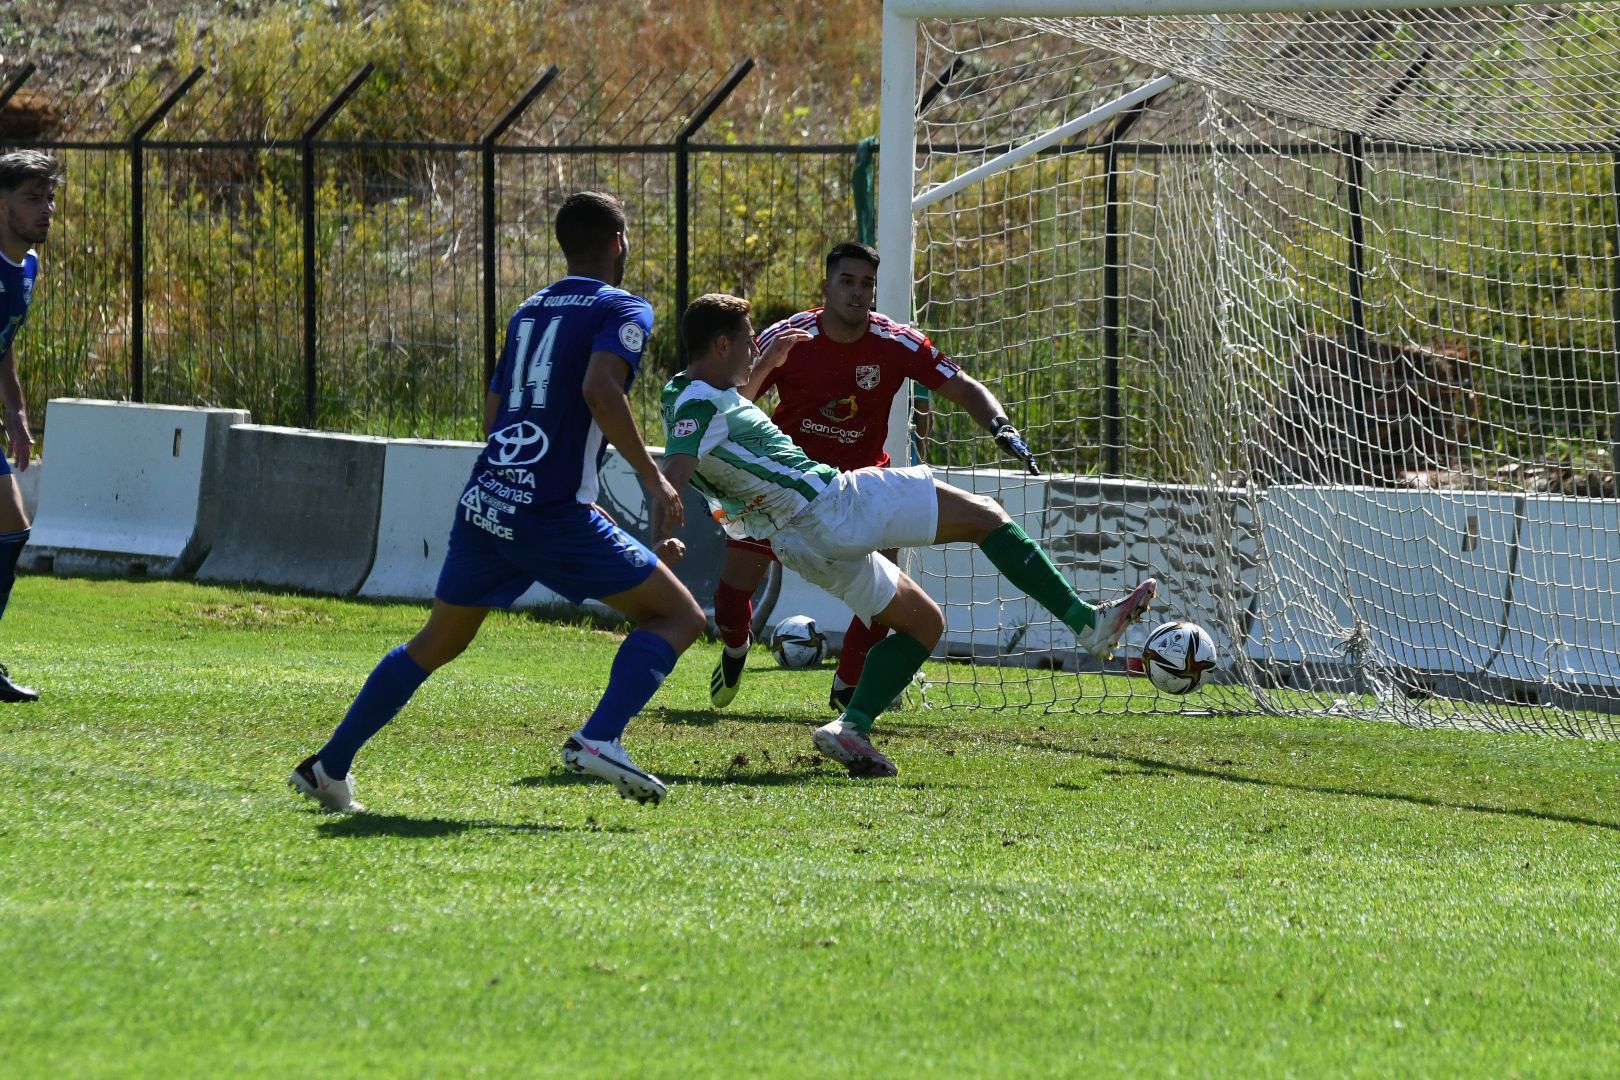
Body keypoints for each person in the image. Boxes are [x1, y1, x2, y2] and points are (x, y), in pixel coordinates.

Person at [291, 191, 704, 812]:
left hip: (490, 497)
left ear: (567, 245)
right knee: (679, 617)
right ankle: (600, 737)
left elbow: (494, 414)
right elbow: (599, 388)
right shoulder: (624, 308)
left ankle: (329, 765)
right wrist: (652, 476)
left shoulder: (530, 310)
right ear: (619, 244)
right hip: (550, 512)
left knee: (435, 642)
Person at [660, 294, 1156, 778]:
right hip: (832, 505)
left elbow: (709, 428)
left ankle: (850, 726)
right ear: (722, 346)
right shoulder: (700, 403)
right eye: (749, 343)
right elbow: (676, 466)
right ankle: (1087, 623)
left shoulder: (682, 395)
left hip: (799, 543)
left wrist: (766, 362)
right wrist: (652, 542)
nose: (756, 350)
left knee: (924, 624)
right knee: (986, 515)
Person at [707, 242, 1038, 714]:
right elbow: (735, 402)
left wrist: (1000, 425)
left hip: (861, 488)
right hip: (780, 488)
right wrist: (767, 366)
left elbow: (962, 385)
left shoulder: (895, 342)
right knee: (730, 596)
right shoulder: (788, 336)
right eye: (847, 281)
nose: (857, 292)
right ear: (826, 285)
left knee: (887, 594)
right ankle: (736, 649)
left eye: (867, 283)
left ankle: (846, 687)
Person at [0, 150, 61, 703]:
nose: (45, 209)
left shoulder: (28, 268)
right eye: (31, 199)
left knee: (12, 532)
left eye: (49, 197)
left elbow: (4, 345)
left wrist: (16, 415)